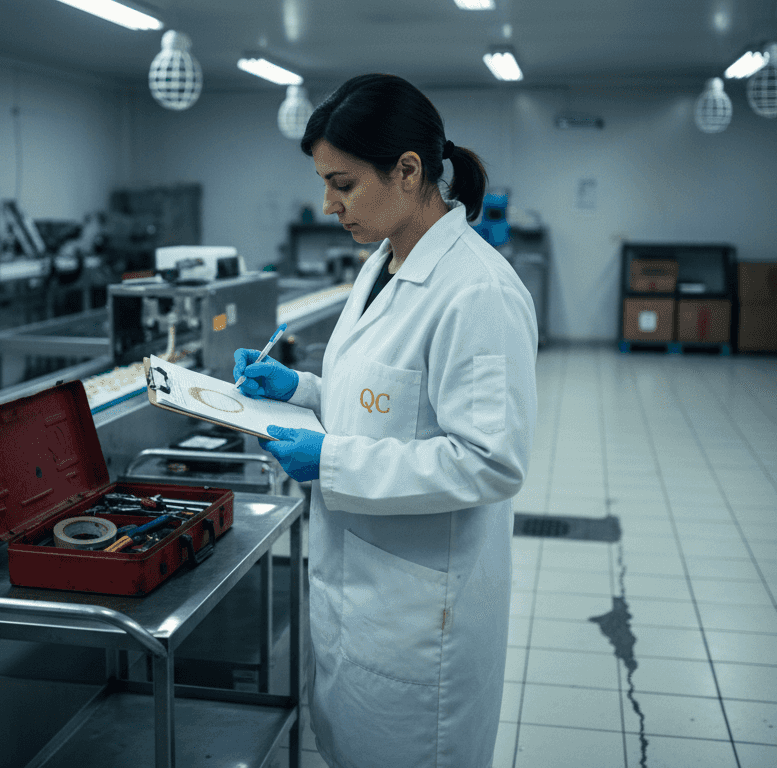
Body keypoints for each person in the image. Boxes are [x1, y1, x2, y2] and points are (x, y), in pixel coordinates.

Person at [234, 73, 538, 768]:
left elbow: (491, 459)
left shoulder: (478, 292)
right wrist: (307, 390)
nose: (328, 204)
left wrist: (329, 459)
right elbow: (389, 401)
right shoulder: (382, 263)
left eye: (343, 183)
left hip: (422, 614)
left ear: (407, 171)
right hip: (361, 592)